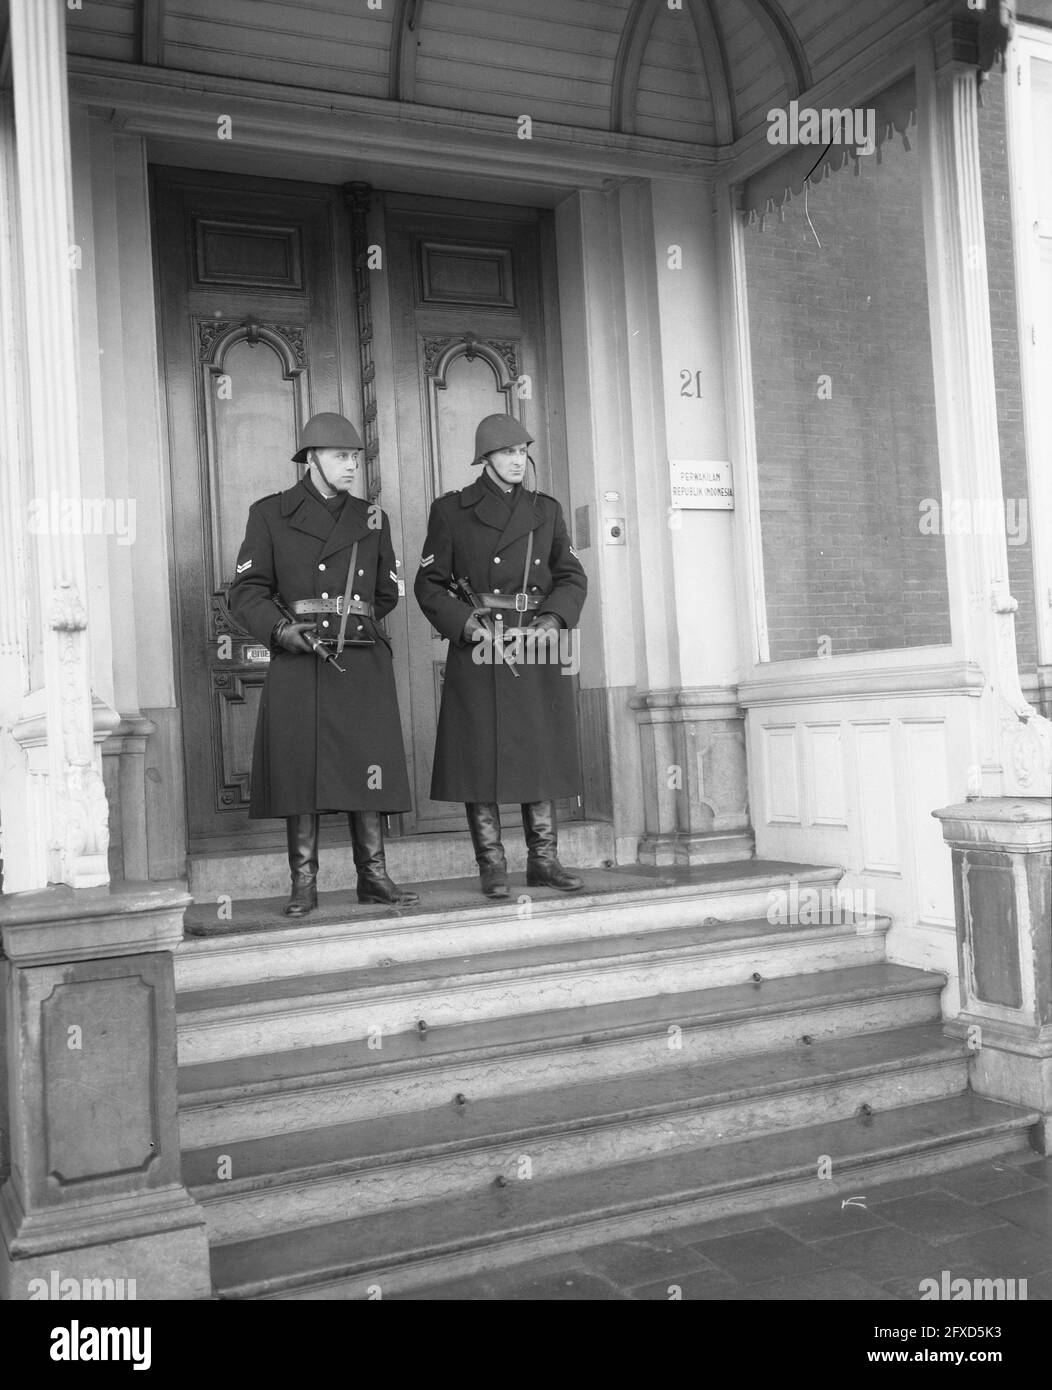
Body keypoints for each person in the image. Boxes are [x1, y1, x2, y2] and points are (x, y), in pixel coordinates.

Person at [230, 412, 419, 916]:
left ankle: (374, 877)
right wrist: (282, 629)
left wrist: (348, 622)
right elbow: (247, 592)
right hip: (300, 656)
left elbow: (385, 592)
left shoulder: (373, 518)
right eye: (341, 456)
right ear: (311, 459)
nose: (352, 466)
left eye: (356, 457)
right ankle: (304, 883)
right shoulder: (270, 513)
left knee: (368, 767)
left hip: (359, 657)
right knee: (300, 771)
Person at [415, 413, 587, 898]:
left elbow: (571, 575)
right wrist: (467, 627)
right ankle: (492, 865)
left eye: (521, 451)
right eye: (507, 452)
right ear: (485, 458)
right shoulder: (452, 511)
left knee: (541, 750)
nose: (517, 460)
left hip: (533, 643)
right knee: (478, 755)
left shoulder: (545, 510)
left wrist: (552, 620)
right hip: (480, 645)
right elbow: (429, 584)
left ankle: (544, 861)